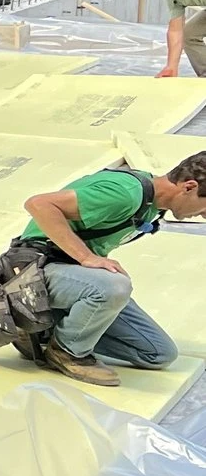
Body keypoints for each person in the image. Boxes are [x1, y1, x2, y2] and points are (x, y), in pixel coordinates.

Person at [18, 152, 206, 384]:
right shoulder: (125, 193)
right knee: (114, 286)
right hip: (33, 272)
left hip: (66, 274)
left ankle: (39, 331)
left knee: (159, 353)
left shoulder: (152, 206)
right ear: (189, 186)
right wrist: (86, 257)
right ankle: (67, 352)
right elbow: (39, 204)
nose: (204, 215)